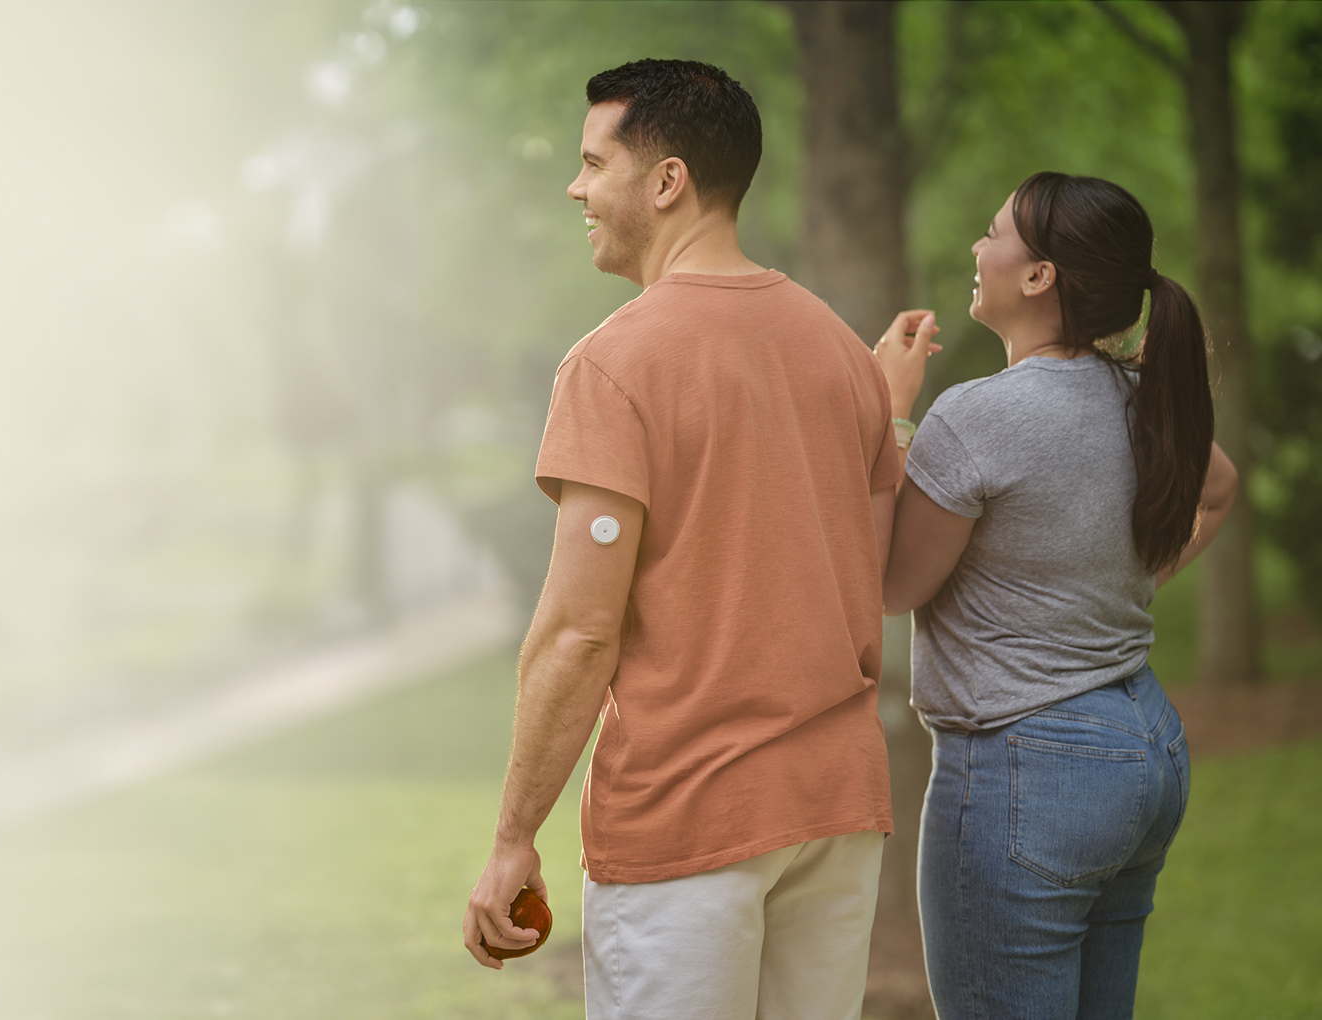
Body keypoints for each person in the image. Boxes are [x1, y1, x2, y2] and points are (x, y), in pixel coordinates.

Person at [462, 58, 905, 1019]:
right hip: (836, 811)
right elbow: (875, 570)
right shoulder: (840, 350)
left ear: (667, 183)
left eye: (592, 163)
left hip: (688, 816)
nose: (576, 187)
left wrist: (512, 837)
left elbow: (581, 633)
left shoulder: (615, 363)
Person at [873, 171, 1239, 1019]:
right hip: (1145, 748)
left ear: (1040, 276)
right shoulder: (1144, 397)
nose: (977, 246)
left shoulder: (975, 418)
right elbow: (1218, 491)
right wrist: (1127, 577)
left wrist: (889, 413)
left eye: (993, 231)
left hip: (1027, 773)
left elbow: (893, 585)